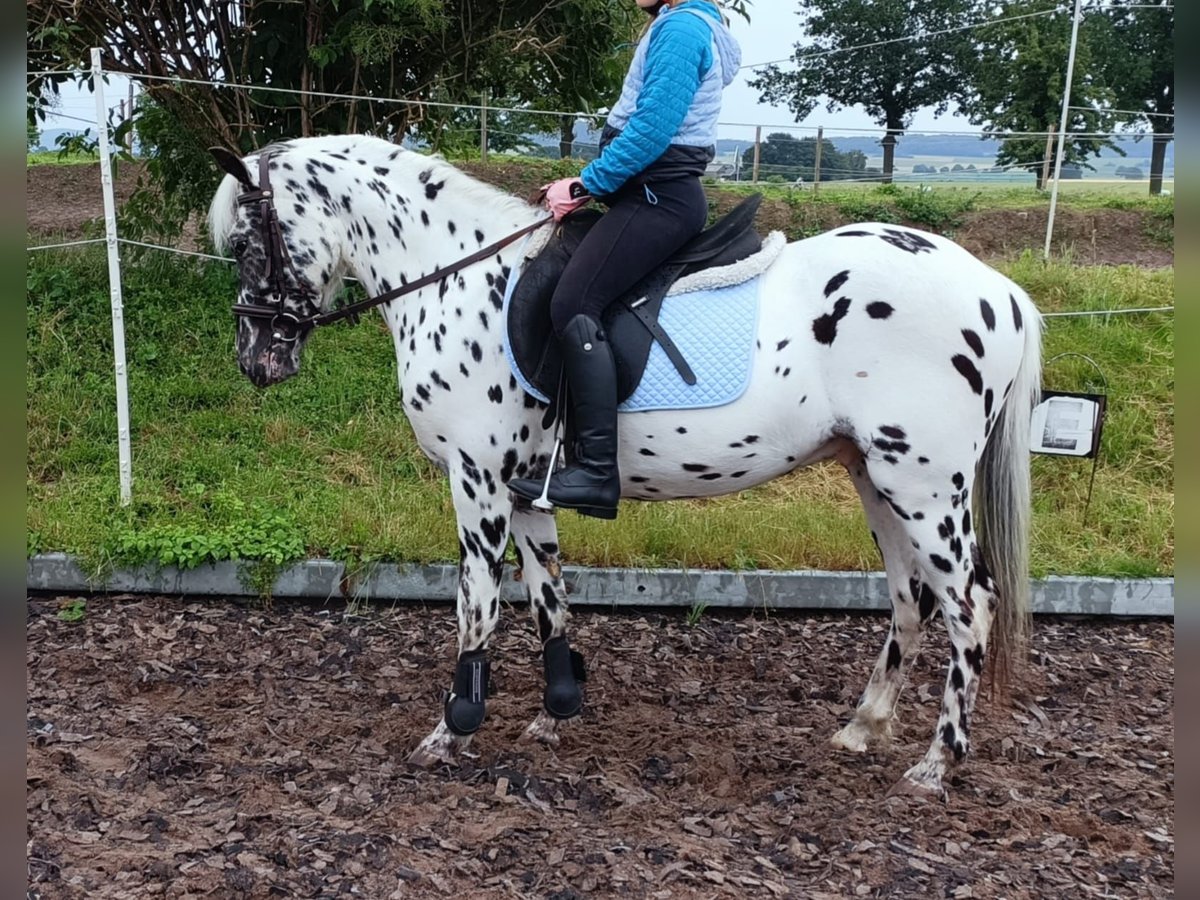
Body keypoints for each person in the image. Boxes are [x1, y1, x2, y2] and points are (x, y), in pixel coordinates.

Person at [508, 0, 741, 520]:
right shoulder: (684, 24)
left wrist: (586, 183)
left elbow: (653, 129)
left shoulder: (681, 29)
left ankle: (595, 471)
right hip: (648, 194)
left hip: (657, 199)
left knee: (572, 302)